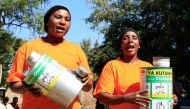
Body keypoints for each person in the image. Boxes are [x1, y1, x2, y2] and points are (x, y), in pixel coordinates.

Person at [6, 5, 93, 109]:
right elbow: (13, 85)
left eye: (67, 19)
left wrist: (85, 80)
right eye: (58, 17)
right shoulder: (27, 47)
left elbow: (88, 86)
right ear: (47, 21)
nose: (62, 22)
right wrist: (26, 87)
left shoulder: (76, 50)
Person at [93, 28, 178, 109]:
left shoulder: (148, 67)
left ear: (139, 45)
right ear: (121, 46)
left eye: (134, 37)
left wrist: (170, 98)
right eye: (125, 38)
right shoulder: (112, 65)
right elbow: (102, 98)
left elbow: (158, 92)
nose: (130, 40)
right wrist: (125, 98)